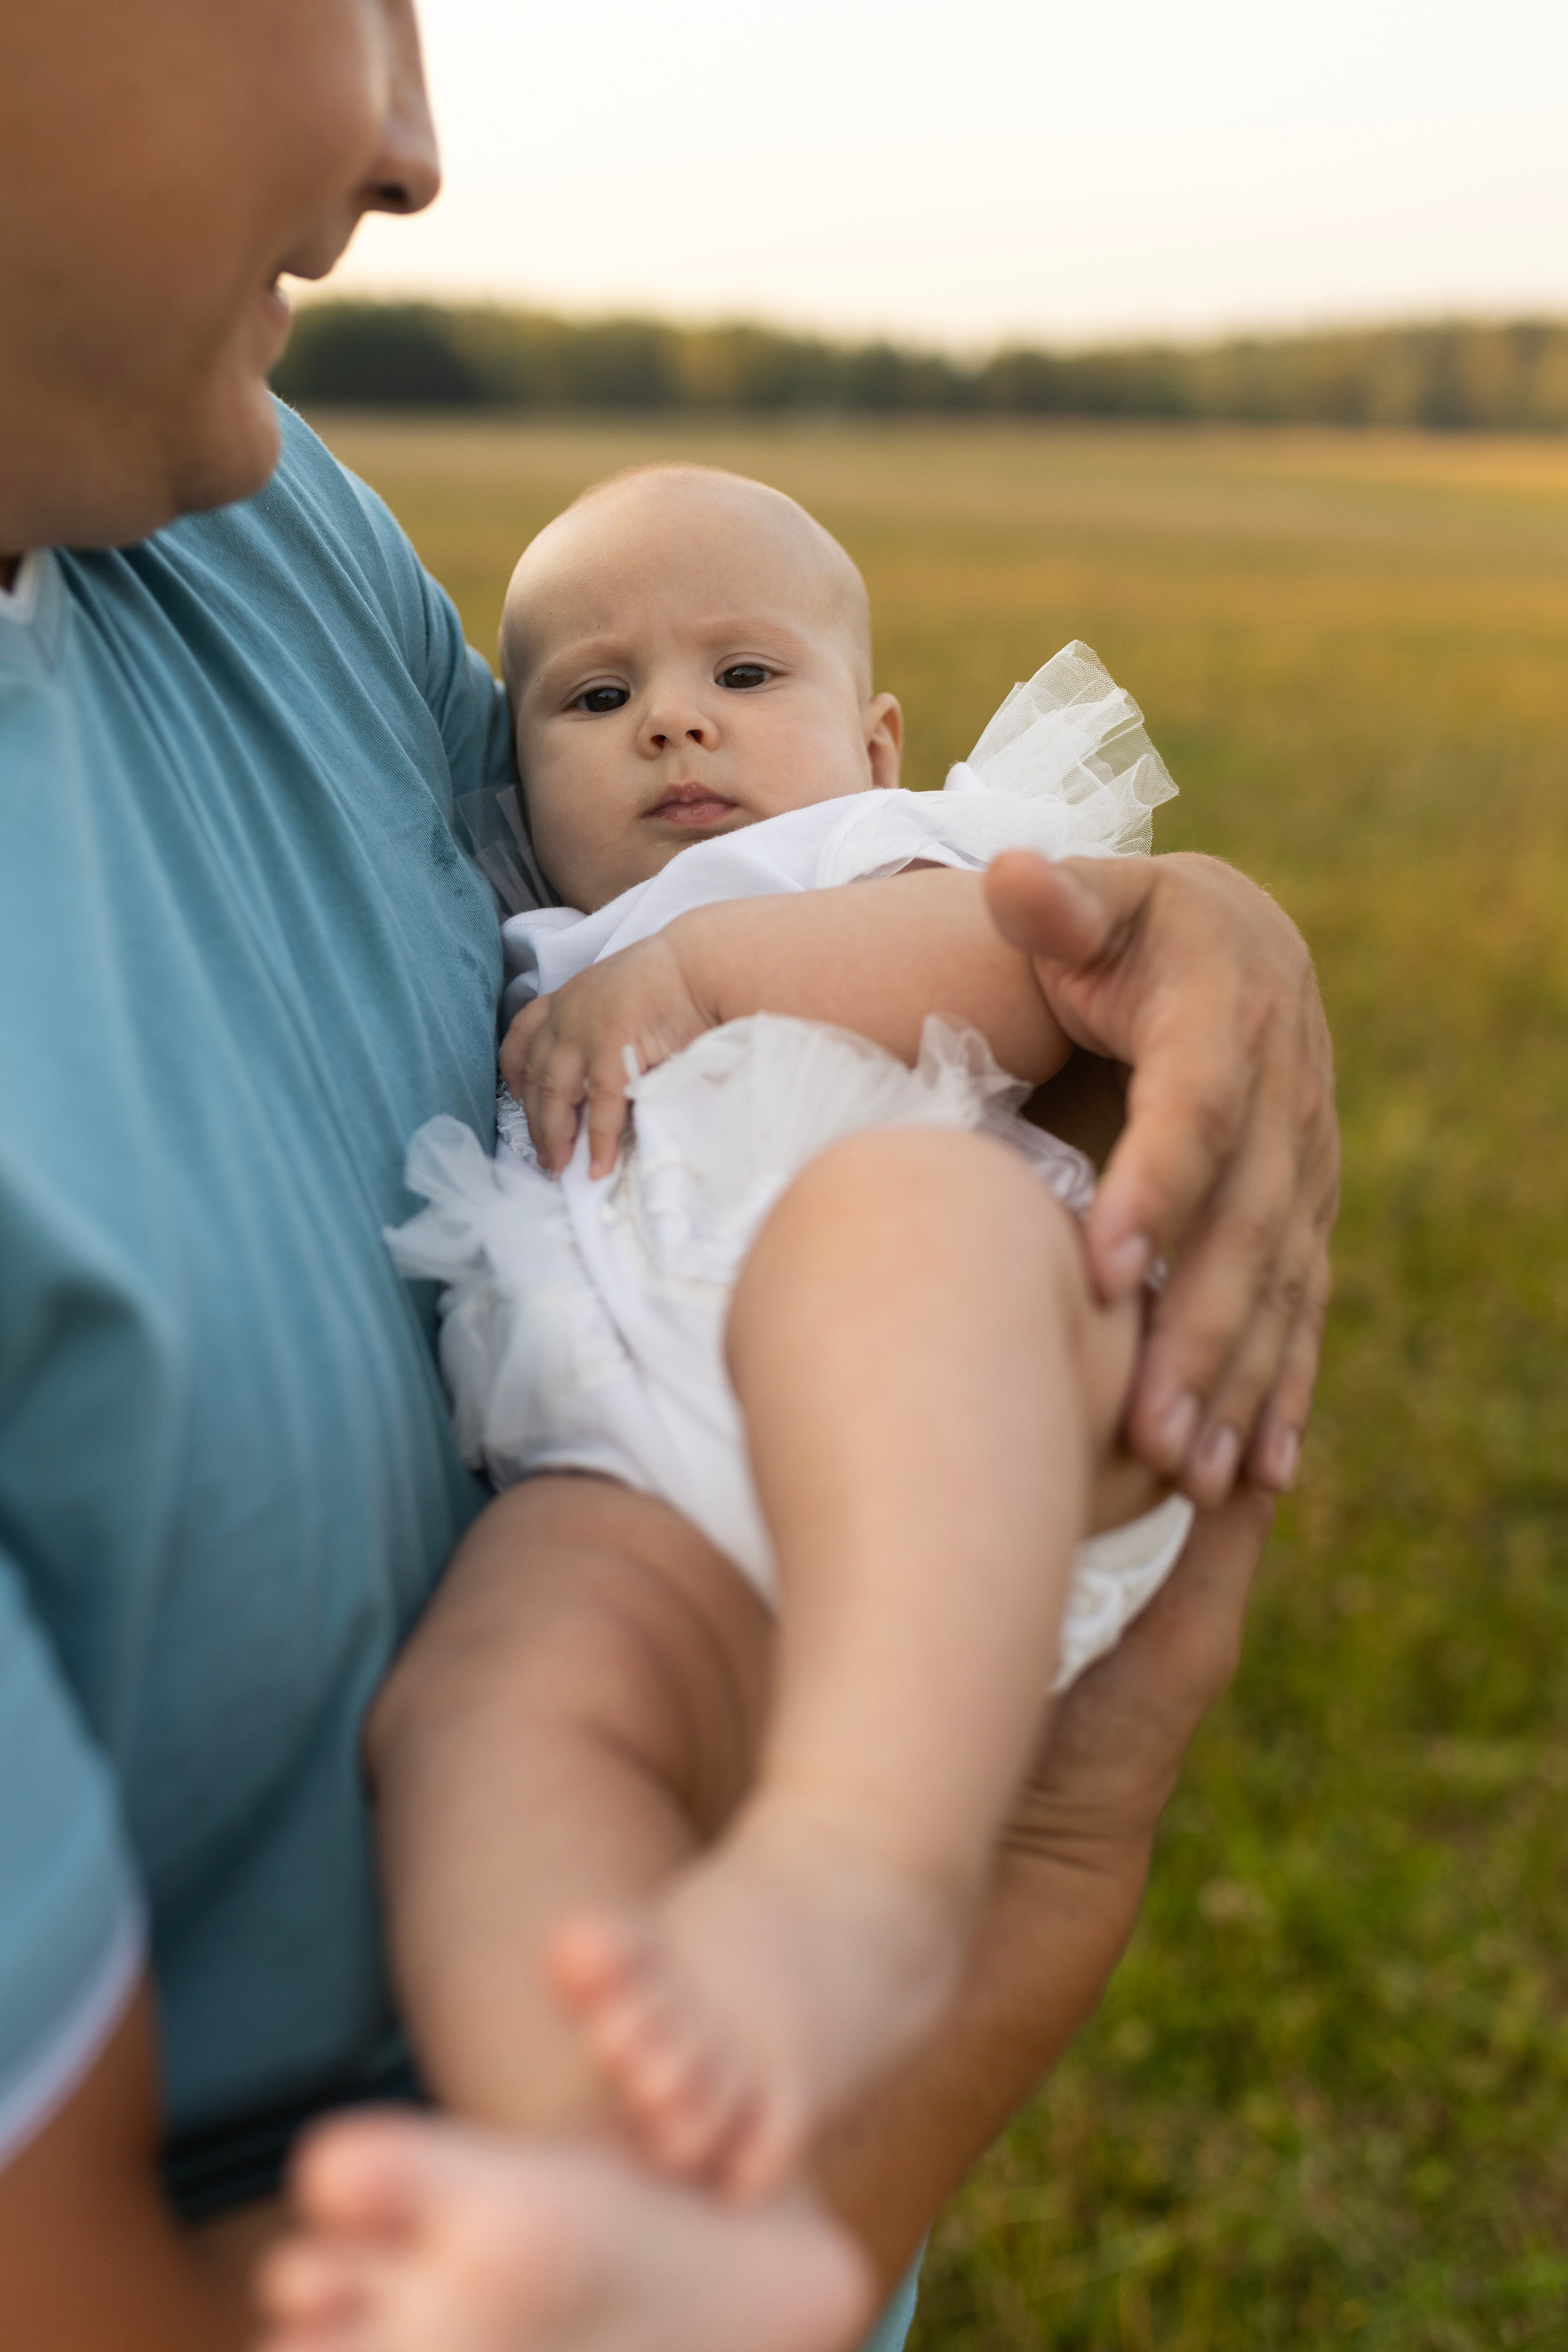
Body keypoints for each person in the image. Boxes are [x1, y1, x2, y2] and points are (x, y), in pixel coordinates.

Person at [0, 6, 1338, 2350]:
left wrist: (1204, 943)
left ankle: (831, 1882)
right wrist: (1033, 1888)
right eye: (353, 2)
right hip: (617, 1473)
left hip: (873, 1381)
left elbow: (1035, 948)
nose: (416, 144)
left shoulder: (252, 526)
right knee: (489, 1727)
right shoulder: (521, 802)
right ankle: (594, 2176)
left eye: (739, 671)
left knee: (892, 1241)